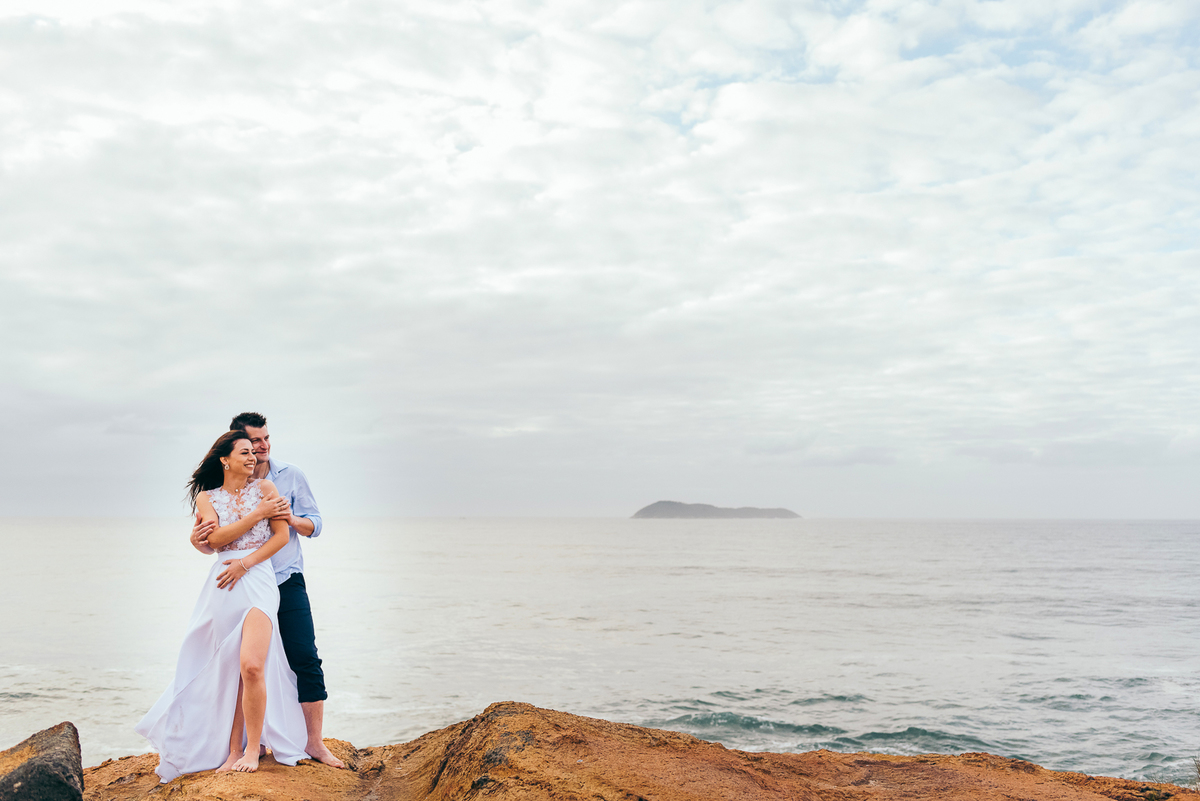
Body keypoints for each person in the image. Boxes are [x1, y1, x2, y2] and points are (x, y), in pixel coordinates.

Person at [136, 431, 309, 782]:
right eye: (243, 452)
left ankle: (252, 749)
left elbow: (280, 537)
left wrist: (246, 563)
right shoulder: (207, 498)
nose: (252, 457)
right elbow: (215, 540)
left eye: (253, 452)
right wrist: (256, 515)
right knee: (231, 670)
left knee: (252, 666)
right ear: (225, 460)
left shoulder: (266, 488)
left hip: (257, 579)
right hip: (223, 584)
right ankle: (233, 749)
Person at [190, 412, 345, 769]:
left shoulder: (289, 476)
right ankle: (250, 744)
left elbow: (315, 524)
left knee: (304, 657)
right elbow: (213, 541)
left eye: (265, 439)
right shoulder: (217, 489)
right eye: (253, 442)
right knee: (245, 664)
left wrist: (287, 518)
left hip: (283, 578)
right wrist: (198, 542)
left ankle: (314, 742)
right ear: (236, 445)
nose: (262, 447)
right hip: (236, 584)